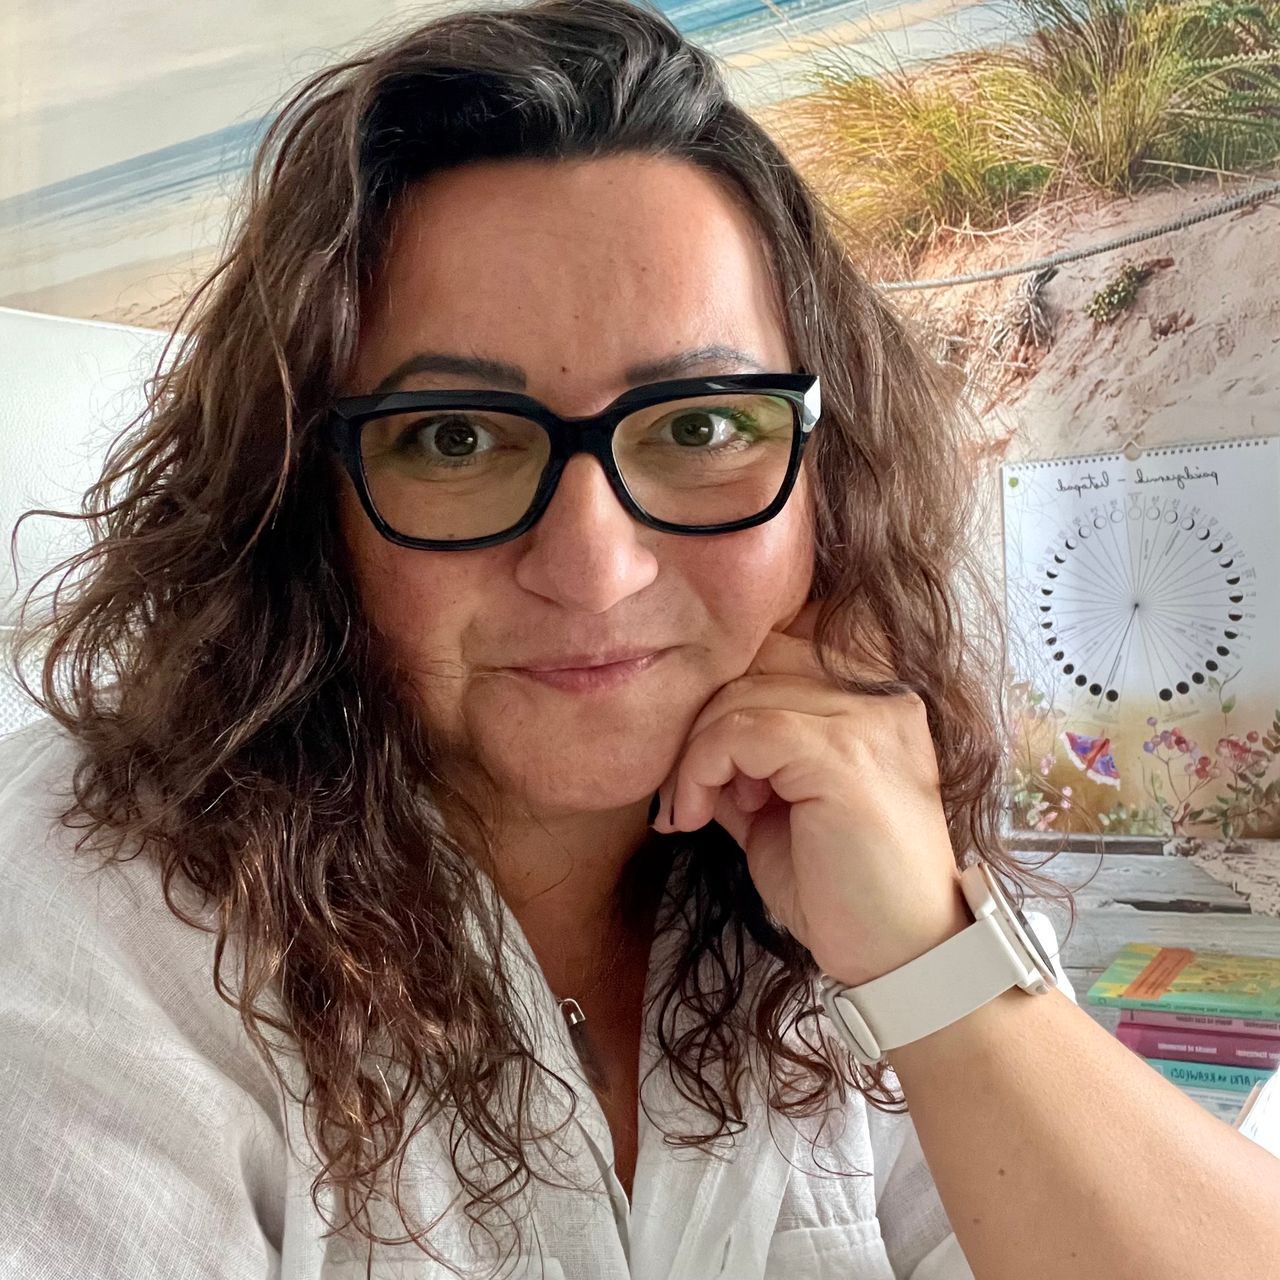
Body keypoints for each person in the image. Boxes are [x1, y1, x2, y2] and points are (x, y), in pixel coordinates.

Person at [3, 2, 1278, 1277]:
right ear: (299, 497)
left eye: (699, 424)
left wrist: (928, 960)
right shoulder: (99, 913)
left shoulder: (856, 817)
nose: (594, 567)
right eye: (453, 436)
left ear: (828, 471)